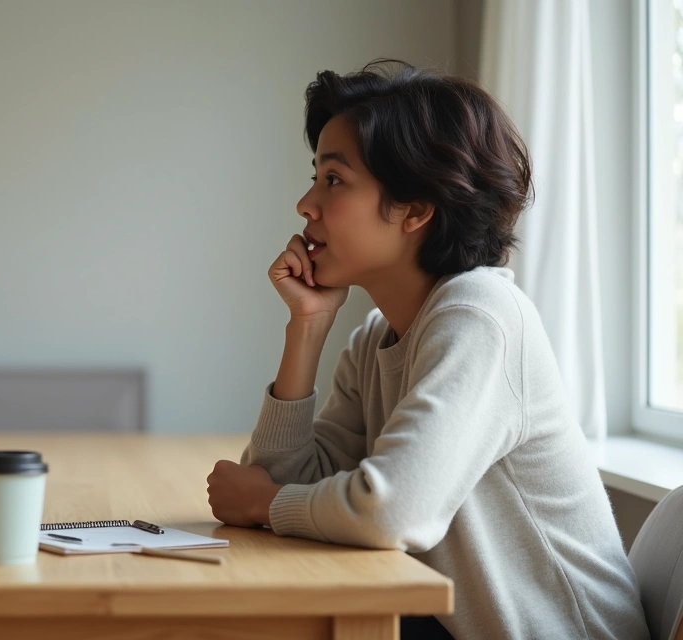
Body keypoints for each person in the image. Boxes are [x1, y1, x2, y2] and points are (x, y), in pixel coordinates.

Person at [205, 61, 649, 640]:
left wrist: (269, 505)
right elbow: (278, 477)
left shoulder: (480, 316)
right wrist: (308, 326)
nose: (306, 204)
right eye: (315, 176)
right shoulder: (376, 338)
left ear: (416, 209)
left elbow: (390, 511)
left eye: (333, 180)